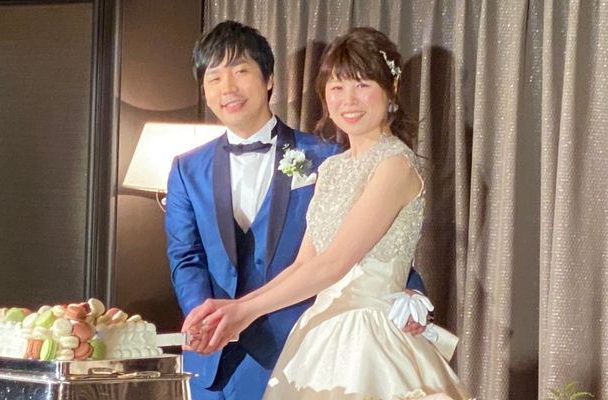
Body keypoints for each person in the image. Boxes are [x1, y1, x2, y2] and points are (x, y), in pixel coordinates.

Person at [181, 27, 471, 399]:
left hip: (370, 336)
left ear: (391, 89)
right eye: (337, 87)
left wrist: (244, 312)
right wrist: (238, 308)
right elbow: (305, 264)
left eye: (362, 85)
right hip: (322, 329)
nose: (348, 99)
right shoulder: (333, 167)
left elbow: (335, 263)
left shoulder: (396, 165)